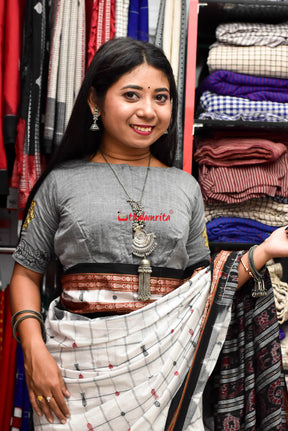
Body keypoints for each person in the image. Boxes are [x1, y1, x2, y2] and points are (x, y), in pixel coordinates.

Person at [9, 37, 288, 430]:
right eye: (132, 95)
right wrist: (33, 349)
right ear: (95, 102)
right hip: (73, 377)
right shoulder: (61, 182)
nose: (148, 111)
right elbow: (24, 275)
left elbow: (200, 292)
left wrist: (264, 251)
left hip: (164, 372)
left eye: (161, 97)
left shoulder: (184, 186)